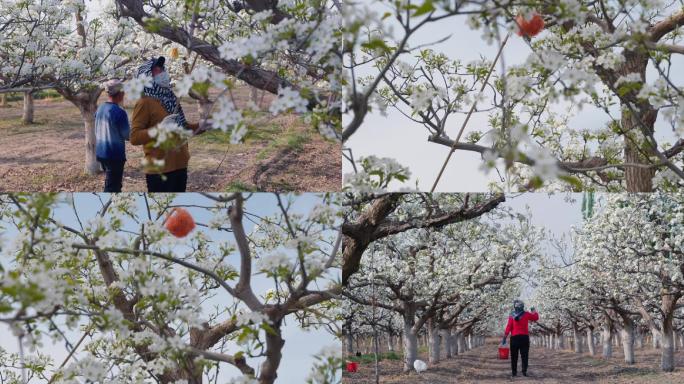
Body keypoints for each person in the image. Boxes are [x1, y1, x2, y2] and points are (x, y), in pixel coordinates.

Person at [130, 56, 206, 192]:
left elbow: (183, 127)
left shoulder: (171, 98)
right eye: (157, 70)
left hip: (180, 165)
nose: (163, 72)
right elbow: (135, 137)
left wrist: (202, 126)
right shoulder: (144, 103)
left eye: (162, 69)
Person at [95, 79, 130, 192]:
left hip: (101, 153)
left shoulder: (100, 108)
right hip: (114, 156)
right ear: (120, 93)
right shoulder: (119, 112)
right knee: (113, 187)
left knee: (111, 182)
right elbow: (127, 135)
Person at [502, 300, 539, 377]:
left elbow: (509, 326)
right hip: (524, 338)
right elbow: (536, 318)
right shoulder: (526, 314)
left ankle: (514, 373)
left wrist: (505, 337)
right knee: (524, 356)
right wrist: (534, 311)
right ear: (522, 306)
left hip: (514, 338)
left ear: (514, 306)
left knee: (514, 357)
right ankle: (524, 372)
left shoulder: (512, 315)